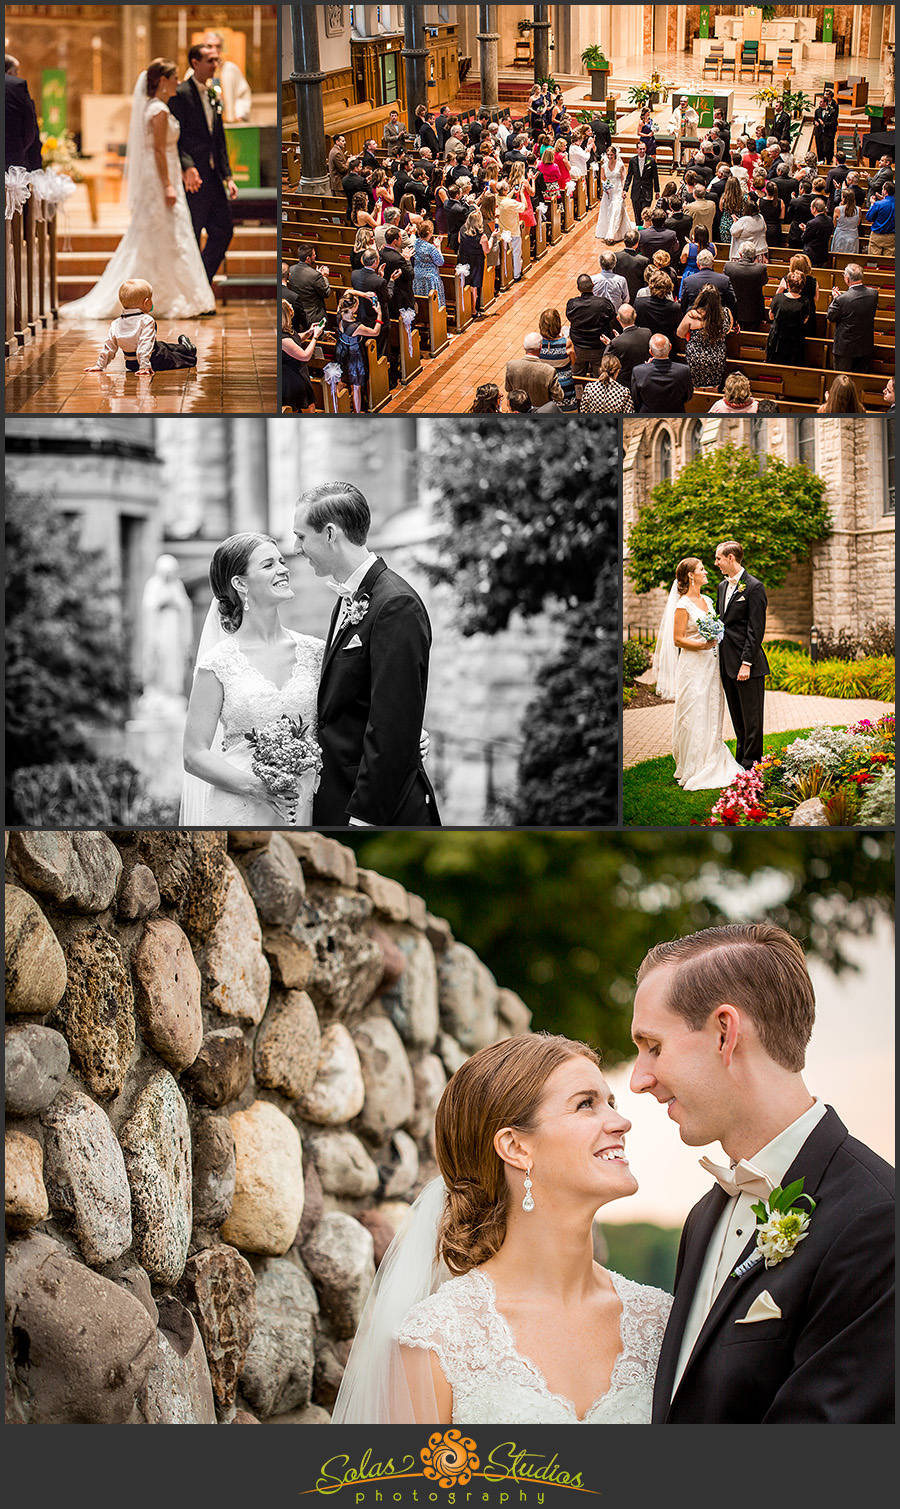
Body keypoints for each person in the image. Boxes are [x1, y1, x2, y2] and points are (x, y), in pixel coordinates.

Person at [332, 1033, 673, 1423]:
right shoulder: (438, 1340)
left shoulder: (661, 1322)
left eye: (611, 1103)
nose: (620, 1121)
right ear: (515, 1147)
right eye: (586, 1105)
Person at [631, 922, 894, 1424]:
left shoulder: (878, 1220)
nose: (640, 1079)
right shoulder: (706, 1215)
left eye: (653, 1046)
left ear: (725, 1034)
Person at [294, 481, 440, 827]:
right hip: (337, 798)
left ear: (330, 534)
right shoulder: (348, 599)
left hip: (374, 812)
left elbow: (390, 722)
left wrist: (365, 816)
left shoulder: (396, 604)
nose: (297, 547)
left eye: (301, 536)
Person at [181, 533, 325, 825]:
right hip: (239, 806)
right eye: (269, 564)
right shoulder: (218, 663)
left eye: (282, 561)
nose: (283, 569)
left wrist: (411, 736)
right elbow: (194, 754)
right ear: (241, 583)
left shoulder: (315, 652)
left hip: (305, 802)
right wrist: (257, 788)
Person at [61, 59, 216, 320]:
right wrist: (167, 184)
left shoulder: (156, 108)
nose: (178, 81)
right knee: (164, 232)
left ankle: (167, 292)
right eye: (174, 77)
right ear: (162, 81)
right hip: (160, 179)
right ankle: (165, 295)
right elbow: (157, 150)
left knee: (167, 233)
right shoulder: (158, 111)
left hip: (162, 175)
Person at [652, 558, 742, 790]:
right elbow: (677, 639)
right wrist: (702, 645)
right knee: (694, 709)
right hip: (693, 664)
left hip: (712, 664)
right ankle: (694, 765)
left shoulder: (708, 600)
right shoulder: (683, 605)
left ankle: (712, 753)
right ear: (691, 575)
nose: (706, 571)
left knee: (711, 707)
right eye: (702, 569)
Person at [168, 43, 238, 287]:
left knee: (224, 230)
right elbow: (176, 136)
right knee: (193, 230)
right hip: (192, 175)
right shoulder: (181, 93)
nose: (215, 65)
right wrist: (186, 166)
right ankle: (190, 285)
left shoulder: (213, 92)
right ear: (195, 63)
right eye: (210, 60)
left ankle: (200, 281)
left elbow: (218, 139)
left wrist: (228, 176)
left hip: (213, 174)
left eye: (217, 60)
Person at [712, 540, 769, 770]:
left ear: (731, 558)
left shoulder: (754, 587)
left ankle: (752, 765)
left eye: (718, 558)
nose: (716, 563)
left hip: (749, 666)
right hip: (727, 664)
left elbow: (756, 630)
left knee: (752, 720)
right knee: (738, 718)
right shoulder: (722, 587)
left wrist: (746, 663)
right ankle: (740, 761)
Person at [83, 277, 197, 375]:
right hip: (153, 360)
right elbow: (145, 344)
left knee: (161, 345)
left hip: (131, 364)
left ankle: (185, 347)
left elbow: (109, 347)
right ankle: (189, 350)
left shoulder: (116, 323)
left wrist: (100, 365)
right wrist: (144, 365)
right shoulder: (146, 320)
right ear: (146, 302)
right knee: (186, 360)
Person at [676, 284, 733, 392]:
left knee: (696, 388)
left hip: (696, 358)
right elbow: (728, 330)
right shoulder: (726, 313)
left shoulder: (693, 315)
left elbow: (679, 333)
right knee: (714, 387)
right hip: (717, 357)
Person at [826, 263, 879, 373]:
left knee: (842, 382)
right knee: (860, 381)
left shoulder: (842, 300)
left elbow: (831, 317)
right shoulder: (873, 294)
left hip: (845, 349)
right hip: (865, 346)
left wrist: (836, 299)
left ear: (847, 278)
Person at [333, 292, 377, 414]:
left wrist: (363, 295)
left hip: (341, 352)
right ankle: (357, 412)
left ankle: (336, 407)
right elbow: (375, 332)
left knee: (341, 380)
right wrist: (379, 314)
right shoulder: (357, 326)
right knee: (356, 387)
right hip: (354, 357)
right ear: (354, 308)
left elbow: (347, 292)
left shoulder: (339, 315)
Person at [565, 274, 617, 377]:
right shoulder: (603, 304)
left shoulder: (572, 304)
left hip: (578, 347)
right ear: (593, 286)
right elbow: (612, 317)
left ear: (578, 288)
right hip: (598, 347)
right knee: (600, 377)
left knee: (577, 377)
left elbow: (569, 317)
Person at [631, 333, 693, 414]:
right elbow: (688, 396)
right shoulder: (684, 370)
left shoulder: (638, 371)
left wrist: (645, 369)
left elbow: (636, 399)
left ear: (651, 352)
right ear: (670, 347)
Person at [505, 331, 566, 409]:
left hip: (519, 410)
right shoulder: (549, 371)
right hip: (541, 411)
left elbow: (508, 389)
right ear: (540, 347)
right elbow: (559, 396)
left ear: (523, 347)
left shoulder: (511, 365)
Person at [5, 53, 41, 170]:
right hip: (11, 160)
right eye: (16, 73)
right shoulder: (17, 86)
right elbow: (30, 131)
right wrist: (18, 148)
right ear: (10, 73)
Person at [280, 298, 317, 413]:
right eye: (289, 306)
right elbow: (305, 356)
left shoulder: (287, 329)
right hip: (293, 378)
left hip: (300, 373)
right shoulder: (282, 338)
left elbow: (296, 340)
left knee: (309, 406)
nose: (292, 306)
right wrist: (315, 337)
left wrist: (309, 332)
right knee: (307, 409)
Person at [537, 308, 578, 411]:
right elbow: (573, 361)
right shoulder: (566, 343)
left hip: (546, 385)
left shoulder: (539, 344)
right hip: (564, 386)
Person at [457, 209, 494, 316]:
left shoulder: (462, 229)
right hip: (476, 262)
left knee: (464, 282)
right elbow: (487, 250)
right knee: (474, 286)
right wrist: (492, 237)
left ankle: (465, 307)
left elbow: (460, 241)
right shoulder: (482, 236)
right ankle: (473, 310)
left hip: (464, 259)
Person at [594, 145, 633, 244]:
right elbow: (602, 178)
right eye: (608, 155)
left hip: (618, 191)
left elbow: (623, 178)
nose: (609, 157)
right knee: (608, 212)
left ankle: (611, 235)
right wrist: (606, 185)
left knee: (615, 211)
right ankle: (613, 231)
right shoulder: (604, 166)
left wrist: (624, 190)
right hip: (608, 193)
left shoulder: (620, 165)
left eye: (611, 155)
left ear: (615, 154)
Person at [607, 304, 651, 389]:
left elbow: (606, 360)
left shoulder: (616, 342)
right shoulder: (647, 332)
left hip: (625, 384)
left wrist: (610, 343)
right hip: (644, 379)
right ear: (635, 316)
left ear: (618, 319)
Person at [724, 246, 768, 329]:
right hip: (754, 312)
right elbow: (764, 282)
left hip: (734, 312)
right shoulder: (761, 269)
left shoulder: (729, 267)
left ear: (740, 254)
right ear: (755, 256)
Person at [288, 244, 330, 329]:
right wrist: (324, 277)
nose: (315, 256)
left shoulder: (291, 269)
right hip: (314, 315)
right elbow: (326, 293)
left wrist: (316, 274)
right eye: (314, 255)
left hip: (298, 313)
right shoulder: (315, 275)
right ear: (308, 258)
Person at [411, 220, 446, 309]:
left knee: (421, 302)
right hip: (430, 278)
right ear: (429, 233)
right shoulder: (430, 248)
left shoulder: (415, 243)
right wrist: (438, 247)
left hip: (417, 276)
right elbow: (440, 262)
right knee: (432, 304)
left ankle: (422, 318)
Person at [623, 141, 659, 226]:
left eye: (643, 149)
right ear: (637, 150)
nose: (642, 151)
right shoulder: (633, 161)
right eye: (640, 149)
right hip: (636, 191)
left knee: (646, 215)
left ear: (646, 149)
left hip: (647, 191)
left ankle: (646, 232)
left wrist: (657, 191)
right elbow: (629, 176)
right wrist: (625, 189)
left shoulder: (651, 161)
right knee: (637, 215)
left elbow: (655, 177)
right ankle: (639, 232)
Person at [615, 231, 649, 304]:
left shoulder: (615, 257)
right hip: (636, 295)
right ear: (637, 243)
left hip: (619, 294)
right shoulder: (643, 260)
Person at [866, 178, 894, 257]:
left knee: (873, 261)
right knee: (887, 263)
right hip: (892, 237)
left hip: (877, 236)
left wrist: (872, 204)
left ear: (885, 191)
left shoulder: (878, 204)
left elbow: (869, 218)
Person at [813, 89, 838, 164]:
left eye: (821, 102)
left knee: (827, 149)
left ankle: (828, 162)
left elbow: (833, 122)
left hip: (828, 133)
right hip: (819, 133)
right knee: (819, 149)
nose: (819, 103)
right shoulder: (817, 111)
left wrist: (824, 124)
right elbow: (815, 120)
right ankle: (821, 162)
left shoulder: (832, 111)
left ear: (825, 103)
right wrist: (815, 123)